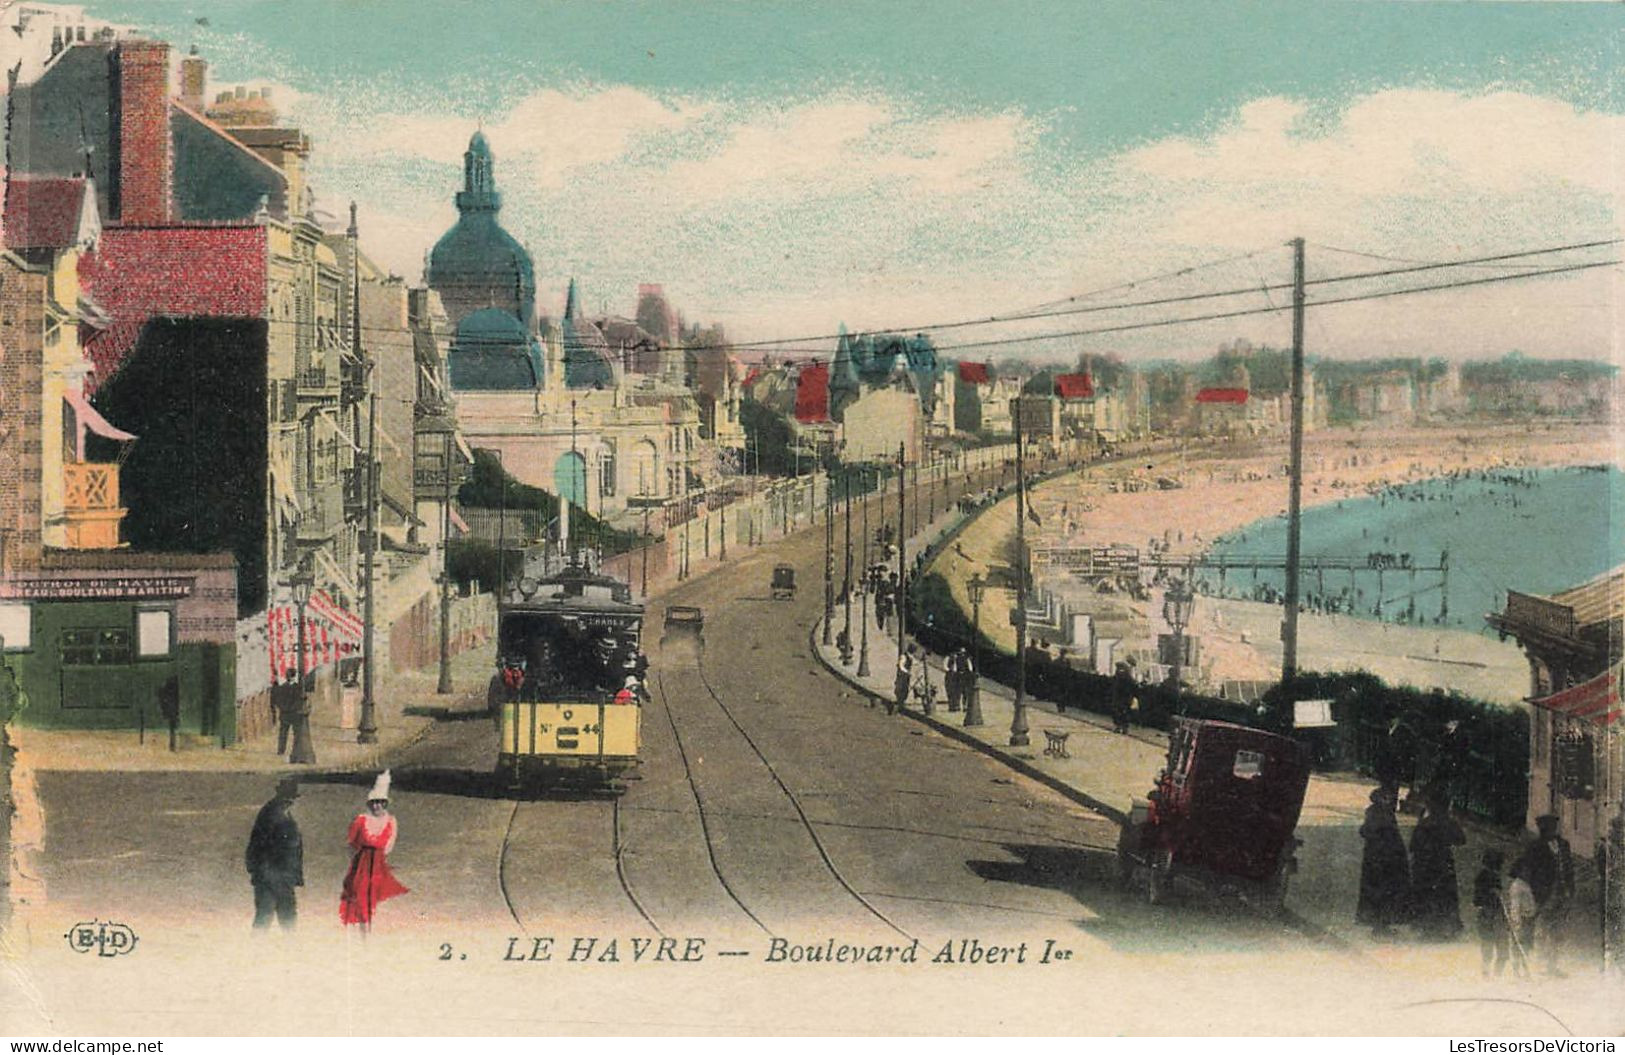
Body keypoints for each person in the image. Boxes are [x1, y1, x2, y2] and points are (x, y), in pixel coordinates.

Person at [340, 771, 408, 933]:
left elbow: (390, 843)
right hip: (362, 863)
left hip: (378, 863)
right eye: (374, 803)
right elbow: (350, 843)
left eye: (380, 802)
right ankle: (361, 932)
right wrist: (356, 862)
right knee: (360, 897)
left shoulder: (391, 821)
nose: (377, 806)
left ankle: (372, 931)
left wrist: (380, 856)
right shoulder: (361, 820)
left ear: (385, 804)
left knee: (375, 897)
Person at [246, 777, 303, 931]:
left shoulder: (282, 812)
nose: (291, 801)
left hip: (282, 875)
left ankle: (287, 951)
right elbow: (261, 844)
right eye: (288, 798)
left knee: (284, 917)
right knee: (269, 917)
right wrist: (262, 871)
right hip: (272, 875)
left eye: (292, 798)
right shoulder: (273, 813)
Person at [1523, 814, 1575, 976]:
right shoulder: (1535, 847)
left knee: (1557, 931)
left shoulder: (1563, 845)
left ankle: (1553, 965)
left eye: (1552, 827)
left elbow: (1569, 869)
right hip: (1543, 893)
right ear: (1541, 829)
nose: (1550, 831)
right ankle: (1539, 965)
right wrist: (1532, 892)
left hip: (1561, 893)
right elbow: (1529, 871)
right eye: (1546, 828)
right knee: (1541, 930)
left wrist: (1571, 889)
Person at [1409, 793, 1466, 940]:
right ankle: (1447, 927)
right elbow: (1461, 840)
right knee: (1446, 895)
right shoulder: (1449, 822)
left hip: (1424, 864)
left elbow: (1413, 845)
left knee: (1426, 894)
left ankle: (1426, 928)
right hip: (1443, 862)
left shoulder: (1424, 823)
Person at [1357, 783, 1411, 938]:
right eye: (1386, 798)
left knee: (1380, 890)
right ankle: (1380, 925)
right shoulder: (1380, 814)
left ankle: (1380, 924)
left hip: (1377, 857)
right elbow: (1369, 831)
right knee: (1383, 890)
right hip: (1383, 858)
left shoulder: (1376, 813)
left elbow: (1365, 831)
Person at [1473, 849, 1508, 977]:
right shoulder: (1486, 877)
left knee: (1489, 946)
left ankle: (1490, 974)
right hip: (1491, 915)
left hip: (1489, 915)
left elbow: (1476, 901)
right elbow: (1478, 900)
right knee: (1496, 947)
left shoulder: (1484, 876)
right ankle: (1494, 974)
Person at [1505, 857, 1538, 979]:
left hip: (1528, 919)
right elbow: (1515, 905)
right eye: (1525, 869)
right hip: (1521, 920)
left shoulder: (1525, 884)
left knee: (1527, 946)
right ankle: (1517, 972)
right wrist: (1516, 922)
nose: (1528, 872)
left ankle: (1526, 971)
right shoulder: (1517, 886)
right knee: (1519, 946)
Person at [1111, 661, 1136, 734]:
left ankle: (1120, 727)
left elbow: (1114, 686)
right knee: (1124, 712)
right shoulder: (1127, 676)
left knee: (1119, 712)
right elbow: (1134, 686)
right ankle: (1123, 727)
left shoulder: (1119, 676)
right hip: (1125, 697)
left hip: (1121, 697)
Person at [890, 652, 912, 716]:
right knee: (900, 690)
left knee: (905, 690)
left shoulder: (910, 657)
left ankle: (901, 704)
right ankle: (899, 705)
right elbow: (900, 666)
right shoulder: (903, 657)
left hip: (906, 677)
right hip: (902, 676)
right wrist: (907, 672)